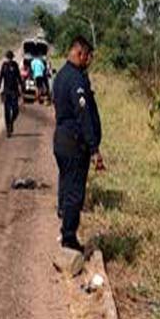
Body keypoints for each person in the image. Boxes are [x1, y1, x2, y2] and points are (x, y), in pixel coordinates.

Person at [52, 37, 103, 253]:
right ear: (80, 53)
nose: (89, 61)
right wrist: (94, 148)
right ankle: (69, 239)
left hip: (61, 139)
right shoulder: (76, 80)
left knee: (66, 182)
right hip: (74, 142)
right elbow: (84, 115)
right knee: (75, 192)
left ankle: (64, 216)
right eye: (88, 56)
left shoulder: (61, 75)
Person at [0, 50, 22, 137]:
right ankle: (8, 130)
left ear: (12, 58)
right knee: (7, 112)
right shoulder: (4, 66)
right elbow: (0, 77)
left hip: (14, 91)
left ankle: (11, 122)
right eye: (8, 58)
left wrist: (22, 86)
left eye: (10, 58)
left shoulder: (15, 65)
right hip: (6, 92)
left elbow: (19, 77)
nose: (9, 59)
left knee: (16, 110)